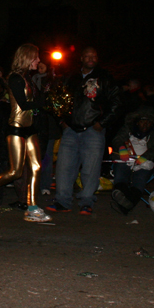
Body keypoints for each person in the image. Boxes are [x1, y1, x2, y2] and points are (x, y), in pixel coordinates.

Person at [0, 43, 51, 222]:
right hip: (15, 129)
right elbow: (24, 104)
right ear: (27, 57)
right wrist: (44, 104)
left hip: (29, 129)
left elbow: (37, 102)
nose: (38, 60)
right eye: (35, 57)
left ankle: (32, 208)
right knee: (15, 171)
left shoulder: (29, 78)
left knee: (36, 167)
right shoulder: (15, 78)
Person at [47, 47, 121, 215]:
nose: (90, 58)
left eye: (94, 55)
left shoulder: (105, 78)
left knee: (90, 169)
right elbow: (56, 100)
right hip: (70, 130)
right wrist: (62, 121)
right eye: (87, 55)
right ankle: (62, 201)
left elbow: (116, 103)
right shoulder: (70, 77)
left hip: (93, 131)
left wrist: (102, 123)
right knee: (64, 167)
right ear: (81, 58)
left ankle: (86, 201)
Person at [109, 106, 154, 215]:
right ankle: (123, 199)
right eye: (142, 121)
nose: (145, 125)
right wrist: (121, 148)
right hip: (125, 159)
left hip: (145, 163)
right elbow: (117, 139)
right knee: (120, 176)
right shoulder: (128, 129)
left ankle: (124, 205)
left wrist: (145, 157)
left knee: (139, 181)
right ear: (137, 122)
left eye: (148, 122)